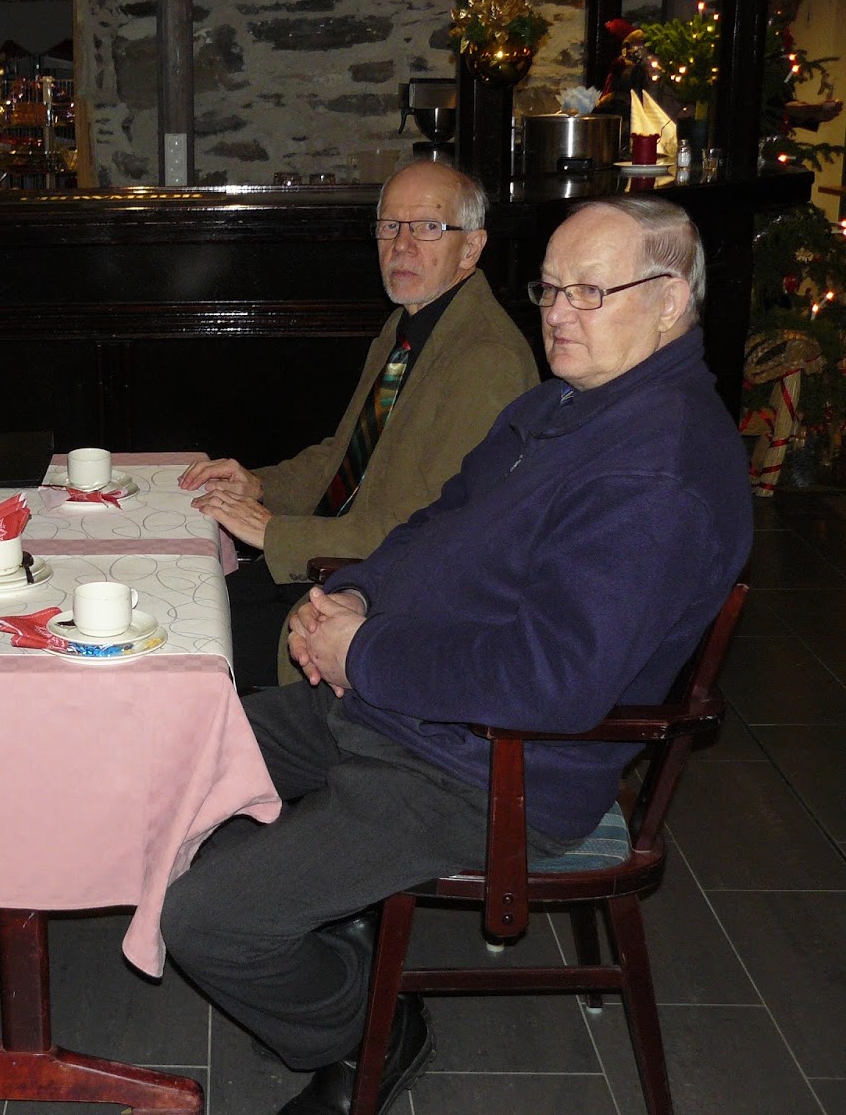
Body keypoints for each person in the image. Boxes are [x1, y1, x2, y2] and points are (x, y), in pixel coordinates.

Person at [160, 196, 753, 1115]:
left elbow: (552, 682)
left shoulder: (655, 472)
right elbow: (437, 524)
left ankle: (366, 1028)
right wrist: (360, 594)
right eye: (550, 289)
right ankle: (331, 925)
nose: (558, 315)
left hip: (487, 767)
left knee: (205, 921)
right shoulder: (564, 404)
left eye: (590, 292)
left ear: (671, 301)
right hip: (407, 709)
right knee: (172, 753)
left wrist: (366, 653)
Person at [179, 161, 538, 690]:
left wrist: (274, 531)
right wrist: (259, 486)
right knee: (179, 601)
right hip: (330, 565)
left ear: (472, 247)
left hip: (381, 603)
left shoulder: (486, 358)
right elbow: (345, 454)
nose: (402, 246)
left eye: (428, 227)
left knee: (180, 645)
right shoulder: (410, 324)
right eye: (390, 226)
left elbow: (430, 529)